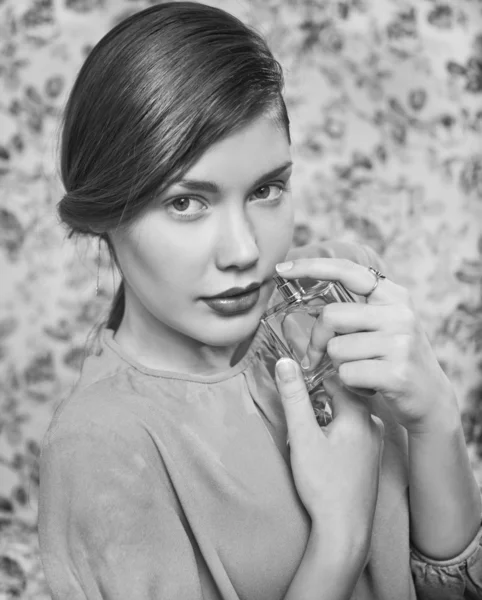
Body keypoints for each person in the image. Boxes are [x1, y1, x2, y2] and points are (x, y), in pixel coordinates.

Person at [38, 3, 482, 599]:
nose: (244, 250)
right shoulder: (104, 447)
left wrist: (436, 423)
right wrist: (339, 536)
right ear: (105, 211)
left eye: (267, 190)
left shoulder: (340, 299)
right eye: (186, 202)